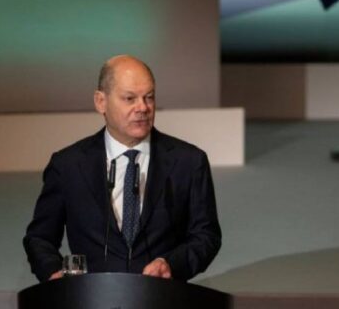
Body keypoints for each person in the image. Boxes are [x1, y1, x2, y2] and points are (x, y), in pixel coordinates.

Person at [23, 55, 221, 282]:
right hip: (90, 298)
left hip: (161, 296)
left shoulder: (189, 162)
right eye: (130, 98)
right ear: (101, 102)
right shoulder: (68, 165)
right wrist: (53, 273)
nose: (143, 107)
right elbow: (40, 238)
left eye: (149, 97)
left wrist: (171, 265)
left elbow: (206, 236)